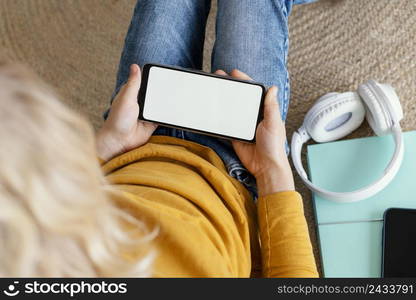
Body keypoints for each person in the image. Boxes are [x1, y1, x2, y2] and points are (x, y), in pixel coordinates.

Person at [0, 0, 318, 277]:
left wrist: (107, 143)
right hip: (239, 168)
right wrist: (271, 169)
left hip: (135, 140)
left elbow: (60, 191)